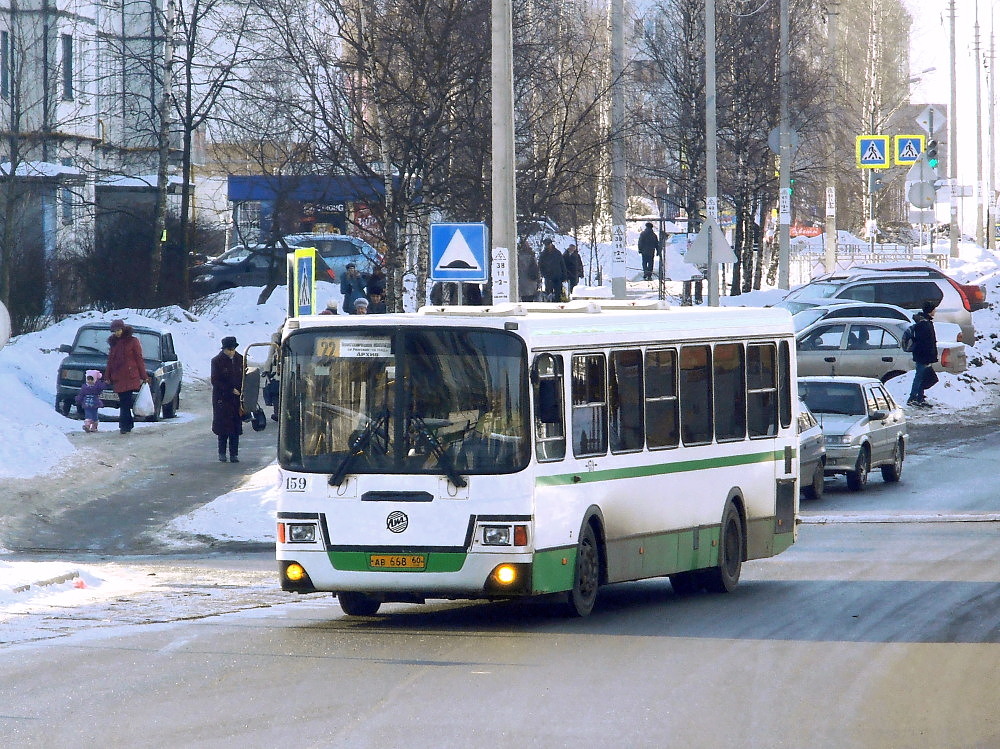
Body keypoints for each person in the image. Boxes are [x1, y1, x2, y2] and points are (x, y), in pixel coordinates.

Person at [105, 319, 149, 435]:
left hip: (130, 376)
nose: (117, 333)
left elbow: (139, 358)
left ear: (123, 329)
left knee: (125, 401)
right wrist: (107, 375)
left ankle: (124, 425)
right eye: (114, 331)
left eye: (118, 330)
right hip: (118, 377)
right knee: (124, 402)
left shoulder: (133, 341)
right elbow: (110, 361)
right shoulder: (113, 343)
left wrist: (144, 376)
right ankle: (128, 424)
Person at [211, 336, 244, 462]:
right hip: (222, 399)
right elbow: (215, 381)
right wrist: (230, 389)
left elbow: (244, 376)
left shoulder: (240, 359)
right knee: (223, 427)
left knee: (235, 427)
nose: (232, 352)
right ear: (224, 349)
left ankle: (234, 454)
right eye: (229, 349)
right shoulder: (217, 361)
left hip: (237, 399)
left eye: (233, 349)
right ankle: (222, 452)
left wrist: (241, 390)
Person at [907, 301, 938, 408]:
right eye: (934, 309)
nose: (935, 311)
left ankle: (920, 398)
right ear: (930, 311)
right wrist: (928, 356)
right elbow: (924, 342)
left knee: (922, 377)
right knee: (919, 377)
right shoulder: (924, 324)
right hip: (923, 356)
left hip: (923, 355)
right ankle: (912, 398)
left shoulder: (924, 322)